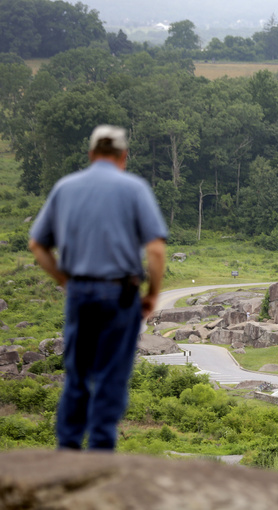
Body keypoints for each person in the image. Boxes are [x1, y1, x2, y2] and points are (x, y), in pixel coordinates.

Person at [28, 125, 167, 451]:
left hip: (80, 293)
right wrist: (153, 294)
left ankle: (69, 449)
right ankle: (102, 452)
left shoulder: (65, 188)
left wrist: (66, 281)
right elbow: (157, 250)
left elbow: (37, 245)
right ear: (124, 156)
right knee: (110, 374)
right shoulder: (134, 188)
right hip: (120, 294)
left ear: (91, 155)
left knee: (77, 374)